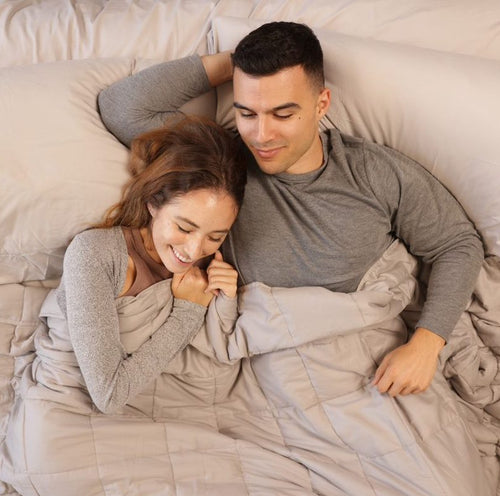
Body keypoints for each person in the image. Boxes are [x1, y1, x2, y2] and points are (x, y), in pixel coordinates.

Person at [98, 21, 484, 398]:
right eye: (247, 113)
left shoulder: (372, 172)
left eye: (283, 114)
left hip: (368, 363)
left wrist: (427, 343)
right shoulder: (220, 169)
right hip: (263, 369)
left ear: (321, 104)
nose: (262, 136)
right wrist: (236, 63)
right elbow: (122, 107)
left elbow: (457, 244)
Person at [50, 116, 246, 413]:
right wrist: (188, 312)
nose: (194, 250)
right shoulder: (94, 255)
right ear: (153, 203)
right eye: (184, 228)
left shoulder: (210, 258)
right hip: (78, 398)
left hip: (190, 401)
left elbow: (223, 348)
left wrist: (227, 298)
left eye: (215, 236)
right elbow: (109, 395)